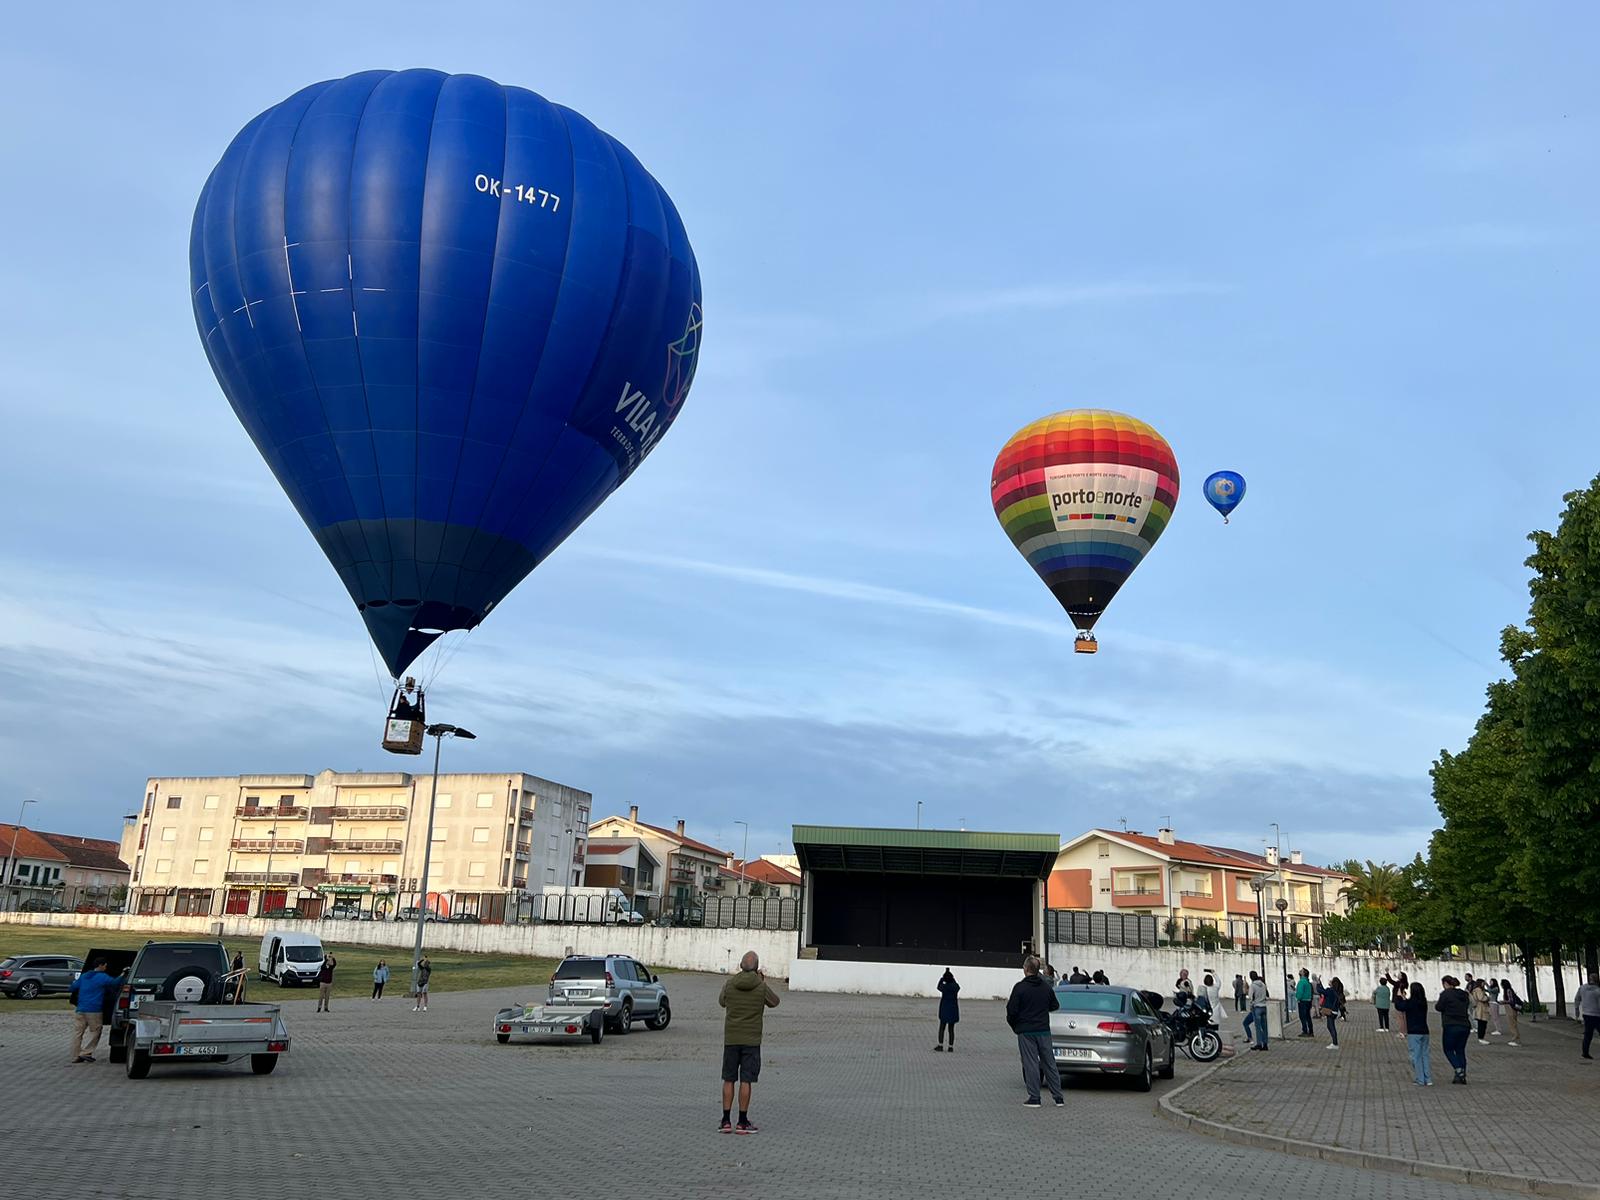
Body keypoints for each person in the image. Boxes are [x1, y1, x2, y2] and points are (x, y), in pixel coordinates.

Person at [718, 950, 780, 1134]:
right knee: (746, 1080)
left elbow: (722, 1002)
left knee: (728, 1078)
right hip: (751, 1041)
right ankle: (743, 1122)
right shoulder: (760, 987)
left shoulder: (729, 984)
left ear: (740, 966)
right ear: (757, 968)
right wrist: (762, 982)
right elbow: (775, 1002)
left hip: (731, 1039)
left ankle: (726, 1120)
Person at [1006, 956, 1063, 1107]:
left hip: (1026, 1031)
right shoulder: (1046, 987)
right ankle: (1058, 1097)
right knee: (1049, 1062)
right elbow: (1055, 1005)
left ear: (1025, 969)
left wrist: (1015, 1026)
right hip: (1043, 1030)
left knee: (1031, 1063)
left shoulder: (1020, 987)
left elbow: (1011, 1011)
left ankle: (1034, 1097)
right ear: (1038, 970)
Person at [67, 958, 122, 1065]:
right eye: (105, 965)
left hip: (80, 1009)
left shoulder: (85, 976)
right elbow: (115, 983)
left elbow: (72, 988)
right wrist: (123, 974)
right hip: (94, 1009)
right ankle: (86, 1052)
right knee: (96, 1030)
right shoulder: (102, 977)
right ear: (101, 965)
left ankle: (75, 1055)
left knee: (78, 1032)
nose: (106, 967)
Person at [1393, 981, 1432, 1085]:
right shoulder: (1423, 1002)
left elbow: (1399, 1006)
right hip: (1424, 1031)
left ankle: (1420, 1078)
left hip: (1414, 1032)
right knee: (1425, 1055)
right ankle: (1428, 1078)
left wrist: (1399, 997)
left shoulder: (1411, 1002)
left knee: (1416, 1056)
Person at [1436, 975, 1472, 1083]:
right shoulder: (1464, 994)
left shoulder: (1445, 994)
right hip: (1465, 1024)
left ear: (1445, 984)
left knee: (1448, 1049)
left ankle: (1458, 1069)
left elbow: (1438, 1007)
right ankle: (1462, 1075)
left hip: (1451, 1024)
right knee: (1460, 1050)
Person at [1577, 971, 1600, 1061]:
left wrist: (1577, 1010)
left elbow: (1577, 999)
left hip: (1586, 1014)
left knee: (1588, 1034)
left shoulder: (1582, 988)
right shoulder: (1598, 990)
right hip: (1597, 1015)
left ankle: (1585, 1052)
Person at [935, 968, 960, 1052]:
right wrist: (951, 977)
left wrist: (942, 978)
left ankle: (940, 1045)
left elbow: (938, 986)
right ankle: (950, 1047)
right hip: (953, 1010)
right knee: (951, 1029)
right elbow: (957, 985)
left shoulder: (945, 987)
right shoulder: (955, 987)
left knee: (942, 1028)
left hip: (944, 1009)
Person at [1246, 970, 1270, 1050]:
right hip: (1264, 1006)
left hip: (1256, 1006)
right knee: (1264, 1027)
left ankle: (1259, 1043)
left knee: (1258, 1027)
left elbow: (1250, 996)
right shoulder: (1263, 984)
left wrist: (1251, 1003)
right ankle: (1265, 1043)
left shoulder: (1252, 986)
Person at [1321, 977, 1345, 1050]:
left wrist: (1319, 983)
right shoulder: (1337, 990)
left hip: (1331, 1010)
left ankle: (1335, 1043)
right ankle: (1334, 1042)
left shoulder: (1331, 990)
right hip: (1335, 1011)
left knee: (1331, 1027)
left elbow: (1321, 991)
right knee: (1330, 1026)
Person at [1498, 977, 1522, 1046]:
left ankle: (1516, 1038)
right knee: (1512, 1023)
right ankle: (1515, 1038)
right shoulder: (1509, 990)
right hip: (1510, 1008)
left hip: (1510, 1008)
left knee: (1512, 1024)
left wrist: (1503, 1002)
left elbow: (1511, 1000)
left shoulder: (1508, 990)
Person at [1468, 977, 1491, 1044]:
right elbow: (1481, 998)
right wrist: (1487, 998)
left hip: (1479, 1008)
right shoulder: (1478, 990)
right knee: (1482, 1024)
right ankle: (1481, 1038)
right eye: (1483, 983)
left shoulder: (1476, 990)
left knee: (1482, 1023)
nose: (1484, 984)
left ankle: (1481, 1037)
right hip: (1481, 1008)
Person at [1293, 968, 1314, 1037]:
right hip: (1308, 1001)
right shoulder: (1307, 982)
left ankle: (1305, 1031)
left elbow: (1300, 992)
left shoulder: (1301, 982)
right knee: (1308, 1016)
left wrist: (1298, 998)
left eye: (1301, 971)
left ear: (1303, 973)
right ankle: (1311, 1031)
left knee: (1303, 1017)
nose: (1299, 971)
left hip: (1303, 1001)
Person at [1392, 972, 1410, 1037]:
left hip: (1399, 1002)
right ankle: (1405, 1031)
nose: (1398, 976)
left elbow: (1391, 981)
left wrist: (1387, 974)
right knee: (1404, 1018)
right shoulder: (1404, 983)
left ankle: (1402, 1032)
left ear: (1402, 977)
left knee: (1400, 1018)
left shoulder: (1399, 984)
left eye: (1399, 975)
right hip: (1403, 1001)